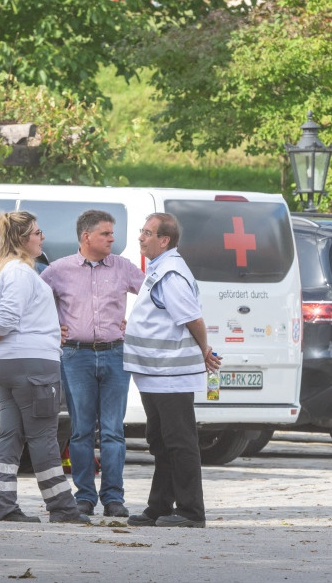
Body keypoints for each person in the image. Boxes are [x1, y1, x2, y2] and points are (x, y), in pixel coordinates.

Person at [0, 211, 86, 525]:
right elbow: (6, 320)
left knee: (12, 433)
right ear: (22, 239)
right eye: (37, 232)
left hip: (7, 363)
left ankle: (1, 504)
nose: (42, 237)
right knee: (44, 435)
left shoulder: (2, 271)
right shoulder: (20, 271)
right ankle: (62, 507)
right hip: (31, 362)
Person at [40, 209, 143, 517]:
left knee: (113, 430)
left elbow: (154, 297)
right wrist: (50, 327)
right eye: (106, 233)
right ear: (86, 237)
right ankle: (84, 495)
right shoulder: (58, 271)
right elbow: (34, 303)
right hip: (76, 356)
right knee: (81, 430)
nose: (113, 238)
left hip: (114, 354)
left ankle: (113, 498)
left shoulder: (123, 267)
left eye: (112, 233)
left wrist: (135, 325)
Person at [124, 213, 220, 528]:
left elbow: (193, 319)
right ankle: (159, 507)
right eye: (142, 231)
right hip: (156, 374)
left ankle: (191, 511)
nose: (141, 237)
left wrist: (204, 350)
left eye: (148, 233)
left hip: (171, 375)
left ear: (164, 240)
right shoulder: (160, 269)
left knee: (180, 442)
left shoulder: (171, 274)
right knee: (162, 442)